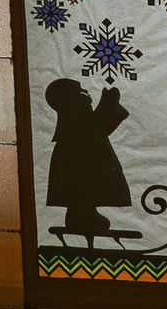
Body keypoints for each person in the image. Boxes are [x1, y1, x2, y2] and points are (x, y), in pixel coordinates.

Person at [44, 78, 131, 236]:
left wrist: (108, 104)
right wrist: (109, 103)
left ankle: (83, 215)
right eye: (81, 92)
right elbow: (98, 127)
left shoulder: (74, 129)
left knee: (82, 194)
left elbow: (98, 127)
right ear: (70, 100)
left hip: (83, 168)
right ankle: (82, 217)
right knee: (81, 191)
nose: (87, 93)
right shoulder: (75, 129)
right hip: (81, 171)